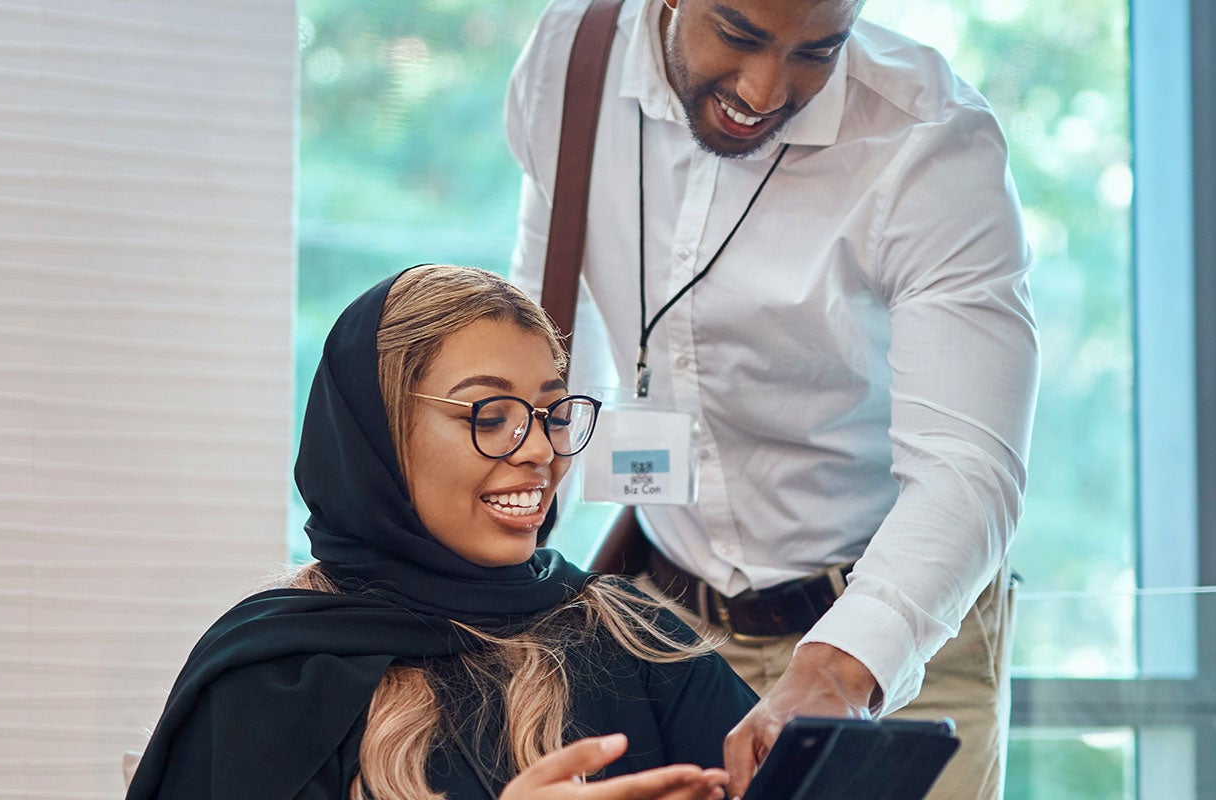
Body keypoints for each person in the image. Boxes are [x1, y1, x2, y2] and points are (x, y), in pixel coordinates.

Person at [506, 0, 1039, 798]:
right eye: (740, 34)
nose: (765, 88)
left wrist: (837, 668)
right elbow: (549, 327)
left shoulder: (931, 140)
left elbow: (968, 468)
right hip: (663, 625)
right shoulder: (572, 57)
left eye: (817, 50)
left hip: (891, 631)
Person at [126, 265, 756, 800]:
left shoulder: (635, 641)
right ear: (376, 435)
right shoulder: (273, 678)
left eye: (552, 412)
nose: (540, 449)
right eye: (492, 414)